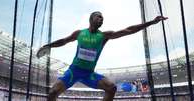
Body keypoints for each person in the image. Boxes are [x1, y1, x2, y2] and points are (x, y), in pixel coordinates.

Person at [37, 11, 168, 101]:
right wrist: (48, 46)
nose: (101, 19)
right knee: (52, 93)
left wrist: (151, 22)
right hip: (73, 71)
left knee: (112, 88)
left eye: (102, 18)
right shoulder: (79, 33)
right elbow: (64, 41)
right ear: (91, 19)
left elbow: (129, 30)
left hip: (89, 74)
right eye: (99, 17)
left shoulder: (104, 36)